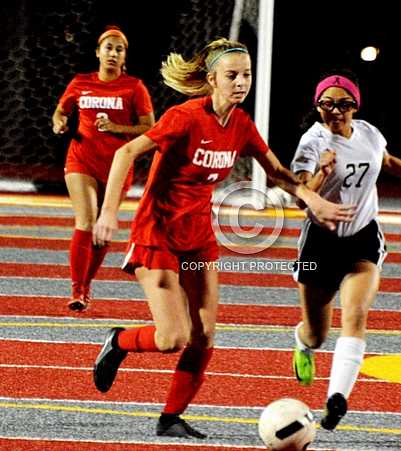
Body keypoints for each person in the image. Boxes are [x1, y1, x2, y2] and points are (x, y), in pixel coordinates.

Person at [91, 38, 356, 439]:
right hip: (156, 233)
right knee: (172, 338)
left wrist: (311, 197)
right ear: (211, 79)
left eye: (246, 75)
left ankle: (171, 418)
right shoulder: (183, 117)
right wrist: (109, 212)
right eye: (231, 75)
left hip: (198, 238)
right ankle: (120, 341)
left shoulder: (242, 125)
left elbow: (280, 174)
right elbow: (126, 153)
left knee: (206, 335)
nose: (241, 82)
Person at [290, 69, 401, 431]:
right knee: (317, 334)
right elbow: (302, 199)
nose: (335, 111)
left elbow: (387, 161)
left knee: (356, 314)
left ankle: (337, 399)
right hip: (321, 244)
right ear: (317, 107)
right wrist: (321, 173)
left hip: (362, 239)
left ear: (356, 106)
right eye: (327, 104)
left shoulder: (369, 132)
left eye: (344, 104)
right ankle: (301, 342)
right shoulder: (311, 142)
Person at [52, 25, 155, 311]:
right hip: (81, 159)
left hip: (116, 167)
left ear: (124, 57)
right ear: (98, 53)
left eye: (119, 49)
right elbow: (61, 110)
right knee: (85, 221)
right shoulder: (80, 82)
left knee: (101, 231)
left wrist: (116, 127)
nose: (112, 53)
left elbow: (150, 127)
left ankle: (87, 284)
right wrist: (58, 122)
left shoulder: (134, 87)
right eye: (108, 47)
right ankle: (77, 289)